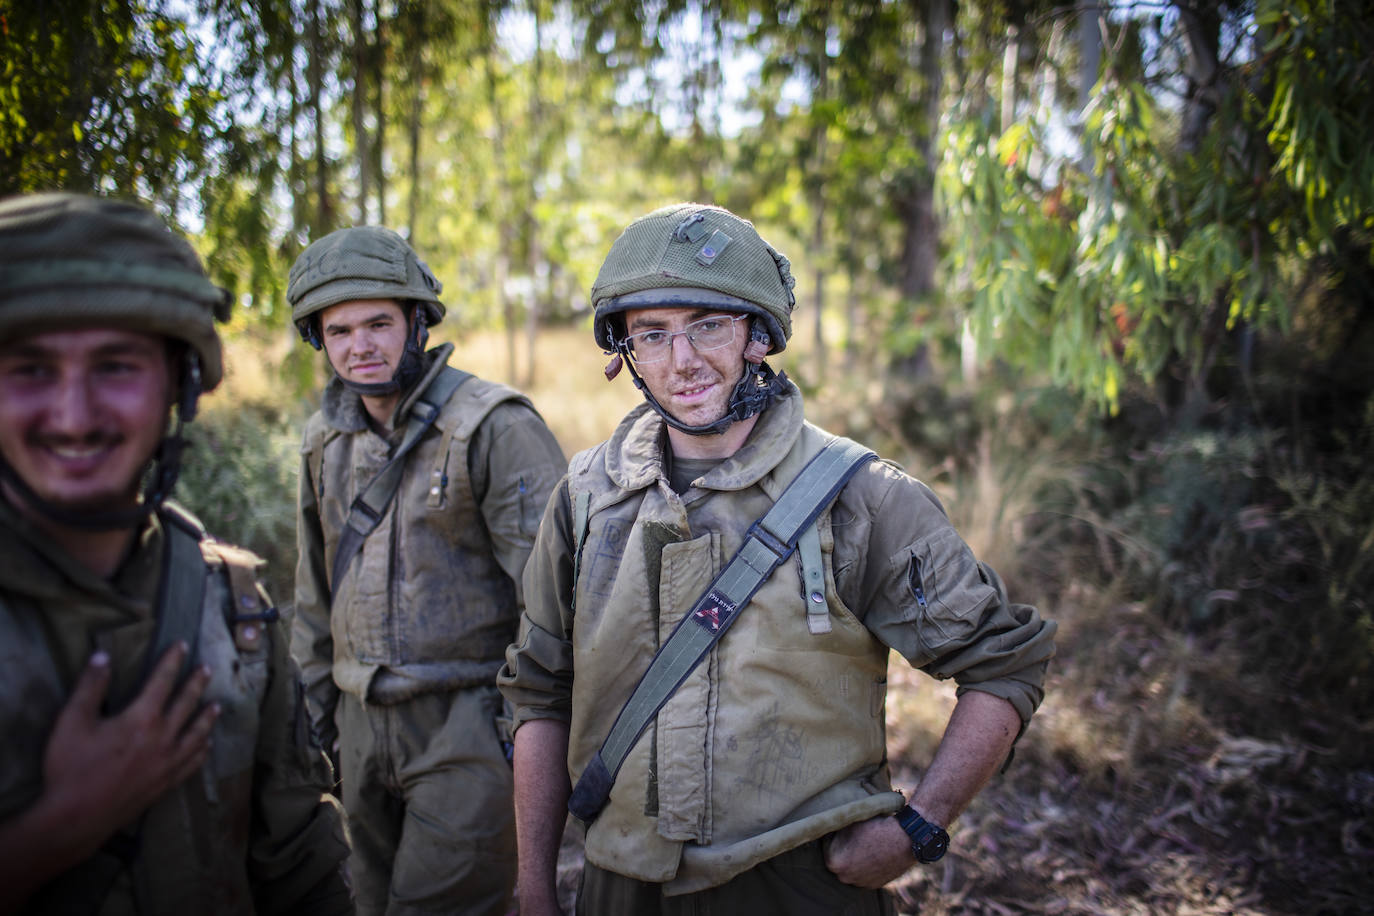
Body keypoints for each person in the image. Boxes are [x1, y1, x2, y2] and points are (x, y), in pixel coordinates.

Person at [498, 203, 1058, 915]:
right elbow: (540, 693)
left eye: (708, 326)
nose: (683, 360)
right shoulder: (586, 498)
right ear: (625, 352)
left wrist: (919, 827)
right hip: (621, 884)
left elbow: (1004, 662)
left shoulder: (861, 497)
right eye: (653, 334)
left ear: (755, 335)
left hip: (802, 885)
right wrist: (536, 888)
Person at [0, 192, 353, 915]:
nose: (73, 415)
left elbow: (302, 868)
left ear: (179, 384)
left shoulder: (232, 608)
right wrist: (60, 825)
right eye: (30, 369)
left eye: (116, 367)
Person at [288, 226, 567, 915]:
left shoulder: (495, 426)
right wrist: (309, 731)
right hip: (360, 724)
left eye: (379, 322)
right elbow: (313, 599)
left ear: (417, 322)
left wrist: (526, 737)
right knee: (371, 903)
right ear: (319, 342)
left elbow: (557, 604)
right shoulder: (326, 440)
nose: (361, 345)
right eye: (340, 329)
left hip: (468, 720)